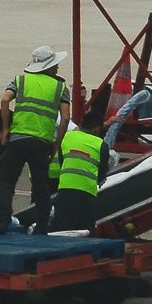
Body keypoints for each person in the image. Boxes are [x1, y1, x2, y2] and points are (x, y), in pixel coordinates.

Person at [0, 47, 67, 223]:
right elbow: (66, 117)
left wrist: (6, 129)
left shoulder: (20, 80)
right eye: (55, 65)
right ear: (49, 67)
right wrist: (57, 143)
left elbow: (5, 100)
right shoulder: (60, 87)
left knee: (6, 181)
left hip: (17, 139)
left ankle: (3, 220)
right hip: (41, 142)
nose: (57, 68)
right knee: (40, 186)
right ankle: (42, 226)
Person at [44, 99, 110, 233]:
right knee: (85, 231)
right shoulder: (101, 145)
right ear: (97, 129)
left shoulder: (68, 137)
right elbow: (101, 175)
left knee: (61, 230)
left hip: (64, 191)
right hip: (86, 195)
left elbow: (62, 162)